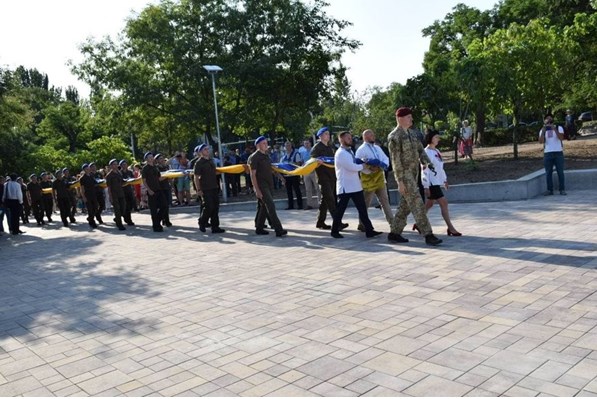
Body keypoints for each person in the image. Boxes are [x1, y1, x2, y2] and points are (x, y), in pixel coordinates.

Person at [387, 107, 443, 246]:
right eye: (408, 117)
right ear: (400, 118)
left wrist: (428, 164)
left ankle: (394, 233)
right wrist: (399, 181)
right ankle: (428, 234)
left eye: (411, 117)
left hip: (414, 173)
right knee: (417, 203)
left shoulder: (412, 134)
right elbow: (395, 160)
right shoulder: (394, 136)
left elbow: (420, 151)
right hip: (405, 175)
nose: (411, 119)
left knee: (405, 206)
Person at [331, 131, 382, 239]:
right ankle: (334, 230)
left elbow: (355, 165)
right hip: (345, 187)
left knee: (362, 209)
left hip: (355, 186)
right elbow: (352, 167)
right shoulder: (341, 153)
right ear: (342, 140)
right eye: (348, 138)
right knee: (340, 210)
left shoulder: (350, 152)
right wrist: (364, 165)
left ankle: (369, 230)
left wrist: (364, 165)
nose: (350, 139)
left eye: (350, 138)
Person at [422, 129, 462, 237]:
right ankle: (451, 228)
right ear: (430, 138)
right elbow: (424, 170)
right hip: (431, 183)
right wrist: (426, 186)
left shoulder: (437, 151)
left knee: (429, 203)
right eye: (436, 137)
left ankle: (418, 223)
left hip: (436, 181)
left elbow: (440, 168)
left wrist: (444, 180)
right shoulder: (426, 152)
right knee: (443, 202)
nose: (438, 139)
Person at [248, 136, 287, 237]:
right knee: (270, 206)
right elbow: (252, 174)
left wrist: (280, 177)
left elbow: (271, 169)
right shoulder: (254, 157)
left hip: (269, 185)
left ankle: (259, 228)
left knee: (263, 207)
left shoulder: (266, 155)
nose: (266, 145)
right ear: (258, 145)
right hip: (261, 186)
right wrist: (256, 189)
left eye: (266, 143)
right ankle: (279, 230)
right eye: (263, 143)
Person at [355, 129, 392, 231]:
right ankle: (361, 223)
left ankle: (392, 223)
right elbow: (358, 163)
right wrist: (369, 167)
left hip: (380, 178)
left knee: (385, 201)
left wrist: (381, 165)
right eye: (371, 135)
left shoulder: (377, 147)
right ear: (365, 137)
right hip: (369, 180)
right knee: (366, 203)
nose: (374, 136)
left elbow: (385, 159)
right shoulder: (361, 149)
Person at [310, 127, 346, 230]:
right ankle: (337, 223)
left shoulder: (330, 147)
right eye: (325, 134)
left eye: (328, 134)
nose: (328, 135)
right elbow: (312, 162)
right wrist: (317, 161)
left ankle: (320, 222)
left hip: (332, 176)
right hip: (323, 177)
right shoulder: (316, 148)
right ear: (320, 136)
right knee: (330, 199)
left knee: (325, 201)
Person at [193, 144, 225, 234]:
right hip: (205, 188)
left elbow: (214, 172)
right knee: (208, 207)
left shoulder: (211, 161)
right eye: (205, 150)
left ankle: (215, 227)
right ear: (201, 152)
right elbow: (196, 177)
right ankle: (202, 222)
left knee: (215, 207)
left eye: (208, 149)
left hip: (214, 186)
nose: (207, 151)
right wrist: (198, 190)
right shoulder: (199, 163)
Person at [539, 113, 566, 196]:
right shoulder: (543, 129)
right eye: (547, 119)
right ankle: (549, 190)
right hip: (548, 153)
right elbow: (541, 141)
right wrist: (543, 131)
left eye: (550, 119)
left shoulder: (559, 127)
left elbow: (561, 138)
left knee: (560, 172)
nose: (549, 120)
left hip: (558, 152)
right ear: (545, 120)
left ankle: (562, 189)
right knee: (548, 172)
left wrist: (554, 129)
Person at [141, 152, 167, 232]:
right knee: (153, 210)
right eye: (149, 157)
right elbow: (144, 181)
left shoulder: (155, 167)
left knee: (164, 206)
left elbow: (159, 178)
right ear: (146, 159)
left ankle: (157, 221)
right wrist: (149, 190)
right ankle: (156, 226)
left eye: (152, 157)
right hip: (151, 191)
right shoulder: (145, 168)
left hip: (158, 189)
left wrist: (167, 176)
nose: (151, 158)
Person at [281, 141, 303, 210]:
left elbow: (298, 164)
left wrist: (290, 164)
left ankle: (300, 205)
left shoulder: (296, 154)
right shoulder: (283, 156)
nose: (287, 147)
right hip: (287, 176)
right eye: (286, 145)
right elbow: (281, 166)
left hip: (294, 175)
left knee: (297, 190)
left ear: (291, 146)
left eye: (289, 145)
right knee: (288, 191)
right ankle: (290, 206)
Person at [105, 159, 127, 230]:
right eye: (114, 164)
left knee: (123, 208)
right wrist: (110, 197)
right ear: (111, 166)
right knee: (117, 210)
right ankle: (119, 225)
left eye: (116, 164)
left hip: (121, 193)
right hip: (114, 195)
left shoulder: (119, 173)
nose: (115, 165)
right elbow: (109, 187)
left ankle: (117, 219)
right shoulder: (109, 175)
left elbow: (122, 181)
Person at [301, 139, 320, 210]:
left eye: (307, 143)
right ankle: (309, 204)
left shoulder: (314, 151)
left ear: (310, 144)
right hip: (306, 172)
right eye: (305, 144)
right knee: (308, 189)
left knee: (317, 188)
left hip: (314, 171)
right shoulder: (303, 153)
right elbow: (303, 162)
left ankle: (320, 203)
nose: (306, 145)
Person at [79, 163, 99, 229]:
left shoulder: (91, 176)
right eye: (86, 169)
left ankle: (90, 218)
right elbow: (81, 189)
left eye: (88, 168)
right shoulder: (82, 178)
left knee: (96, 208)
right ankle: (92, 222)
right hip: (87, 195)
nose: (88, 169)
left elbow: (95, 183)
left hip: (93, 194)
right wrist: (83, 197)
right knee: (90, 209)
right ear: (84, 170)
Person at [155, 153, 173, 227]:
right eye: (160, 159)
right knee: (163, 205)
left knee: (167, 205)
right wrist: (167, 175)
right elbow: (158, 179)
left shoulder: (166, 167)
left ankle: (166, 220)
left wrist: (171, 182)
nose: (162, 160)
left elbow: (169, 177)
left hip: (166, 187)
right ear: (157, 160)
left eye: (162, 158)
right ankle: (161, 219)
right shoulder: (156, 168)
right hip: (160, 188)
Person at [119, 160, 136, 225]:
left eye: (125, 164)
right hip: (123, 191)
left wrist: (134, 190)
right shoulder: (119, 173)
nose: (124, 166)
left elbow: (133, 180)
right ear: (120, 166)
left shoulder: (130, 172)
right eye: (123, 164)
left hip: (130, 190)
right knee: (126, 206)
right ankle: (129, 220)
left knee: (131, 205)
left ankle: (122, 216)